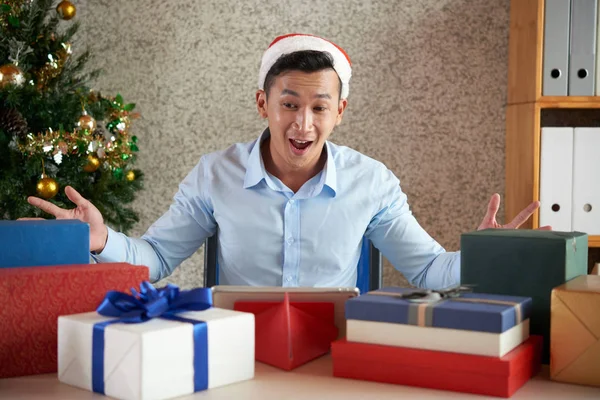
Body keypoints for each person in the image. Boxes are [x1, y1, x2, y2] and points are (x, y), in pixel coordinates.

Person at [25, 33, 545, 289]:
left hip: (337, 356)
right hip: (236, 351)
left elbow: (430, 269)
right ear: (263, 104)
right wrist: (101, 240)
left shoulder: (373, 182)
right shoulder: (215, 175)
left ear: (339, 112)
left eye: (319, 108)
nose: (303, 125)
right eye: (289, 105)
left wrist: (488, 252)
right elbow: (156, 259)